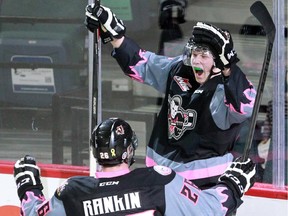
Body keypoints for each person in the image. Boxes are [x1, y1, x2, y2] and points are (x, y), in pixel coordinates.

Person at [84, 4, 256, 189]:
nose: (196, 60)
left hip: (204, 185)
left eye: (204, 56)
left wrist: (229, 68)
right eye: (194, 54)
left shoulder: (226, 89)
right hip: (159, 176)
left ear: (220, 62)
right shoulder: (179, 69)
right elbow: (142, 64)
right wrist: (115, 35)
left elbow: (246, 107)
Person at [14, 118, 256, 216]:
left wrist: (27, 185)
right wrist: (234, 183)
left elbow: (34, 213)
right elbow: (211, 209)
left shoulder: (71, 192)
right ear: (129, 151)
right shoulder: (158, 181)